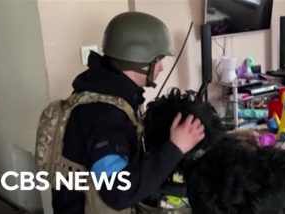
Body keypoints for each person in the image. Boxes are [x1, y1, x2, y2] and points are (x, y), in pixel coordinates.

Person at [51, 11, 205, 213]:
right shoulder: (104, 116)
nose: (161, 67)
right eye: (157, 59)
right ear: (137, 57)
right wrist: (175, 148)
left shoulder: (100, 88)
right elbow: (118, 191)